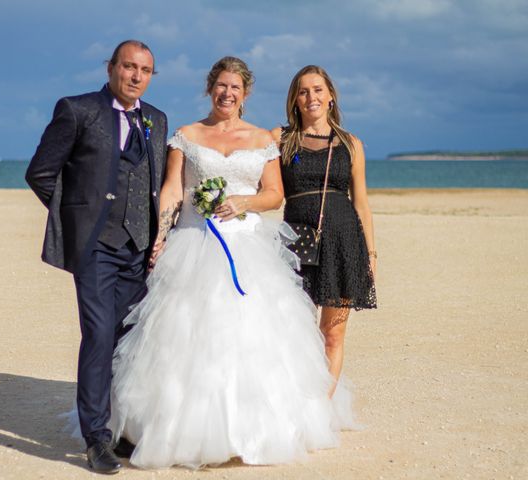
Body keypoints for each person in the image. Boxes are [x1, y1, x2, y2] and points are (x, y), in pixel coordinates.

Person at [103, 57, 355, 469]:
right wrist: (161, 237)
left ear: (246, 93)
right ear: (210, 88)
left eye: (235, 87)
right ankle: (178, 430)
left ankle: (249, 431)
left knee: (250, 336)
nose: (227, 93)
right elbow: (171, 190)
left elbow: (274, 194)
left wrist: (245, 202)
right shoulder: (186, 135)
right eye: (221, 85)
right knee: (184, 335)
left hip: (246, 248)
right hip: (192, 245)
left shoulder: (261, 140)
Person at [25, 40, 168, 474]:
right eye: (128, 66)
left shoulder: (156, 120)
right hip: (96, 248)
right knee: (99, 334)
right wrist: (78, 218)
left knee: (129, 341)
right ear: (111, 68)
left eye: (145, 69)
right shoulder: (77, 110)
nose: (136, 75)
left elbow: (156, 180)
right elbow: (40, 172)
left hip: (139, 250)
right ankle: (96, 438)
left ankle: (123, 429)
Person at [271, 65, 377, 397]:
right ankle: (294, 399)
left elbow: (361, 203)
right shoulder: (280, 139)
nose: (311, 97)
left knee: (333, 332)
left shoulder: (351, 144)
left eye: (318, 89)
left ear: (330, 96)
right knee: (295, 329)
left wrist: (370, 254)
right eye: (303, 91)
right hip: (297, 242)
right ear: (295, 100)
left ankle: (319, 410)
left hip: (344, 243)